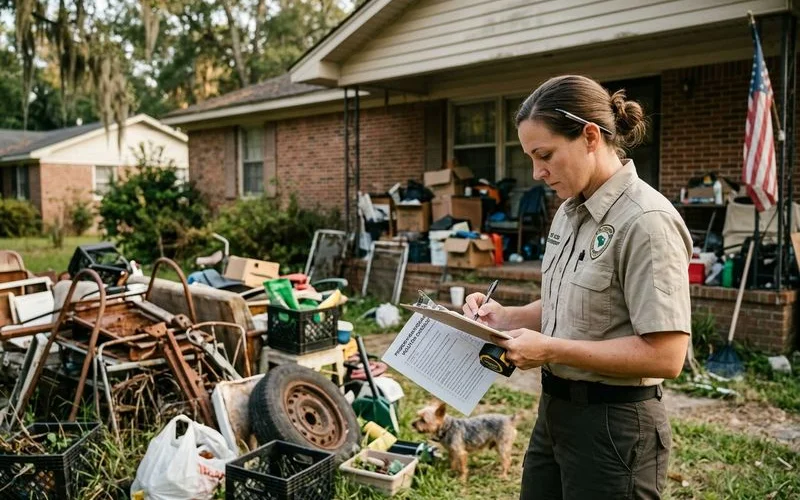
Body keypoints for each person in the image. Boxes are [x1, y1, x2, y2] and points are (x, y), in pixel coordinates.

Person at [463, 75, 691, 499]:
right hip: (554, 412)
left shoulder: (646, 221)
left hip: (614, 427)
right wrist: (506, 316)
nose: (537, 172)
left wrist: (550, 350)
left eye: (544, 154)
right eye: (530, 157)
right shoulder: (568, 213)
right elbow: (569, 303)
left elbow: (666, 354)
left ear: (589, 136)